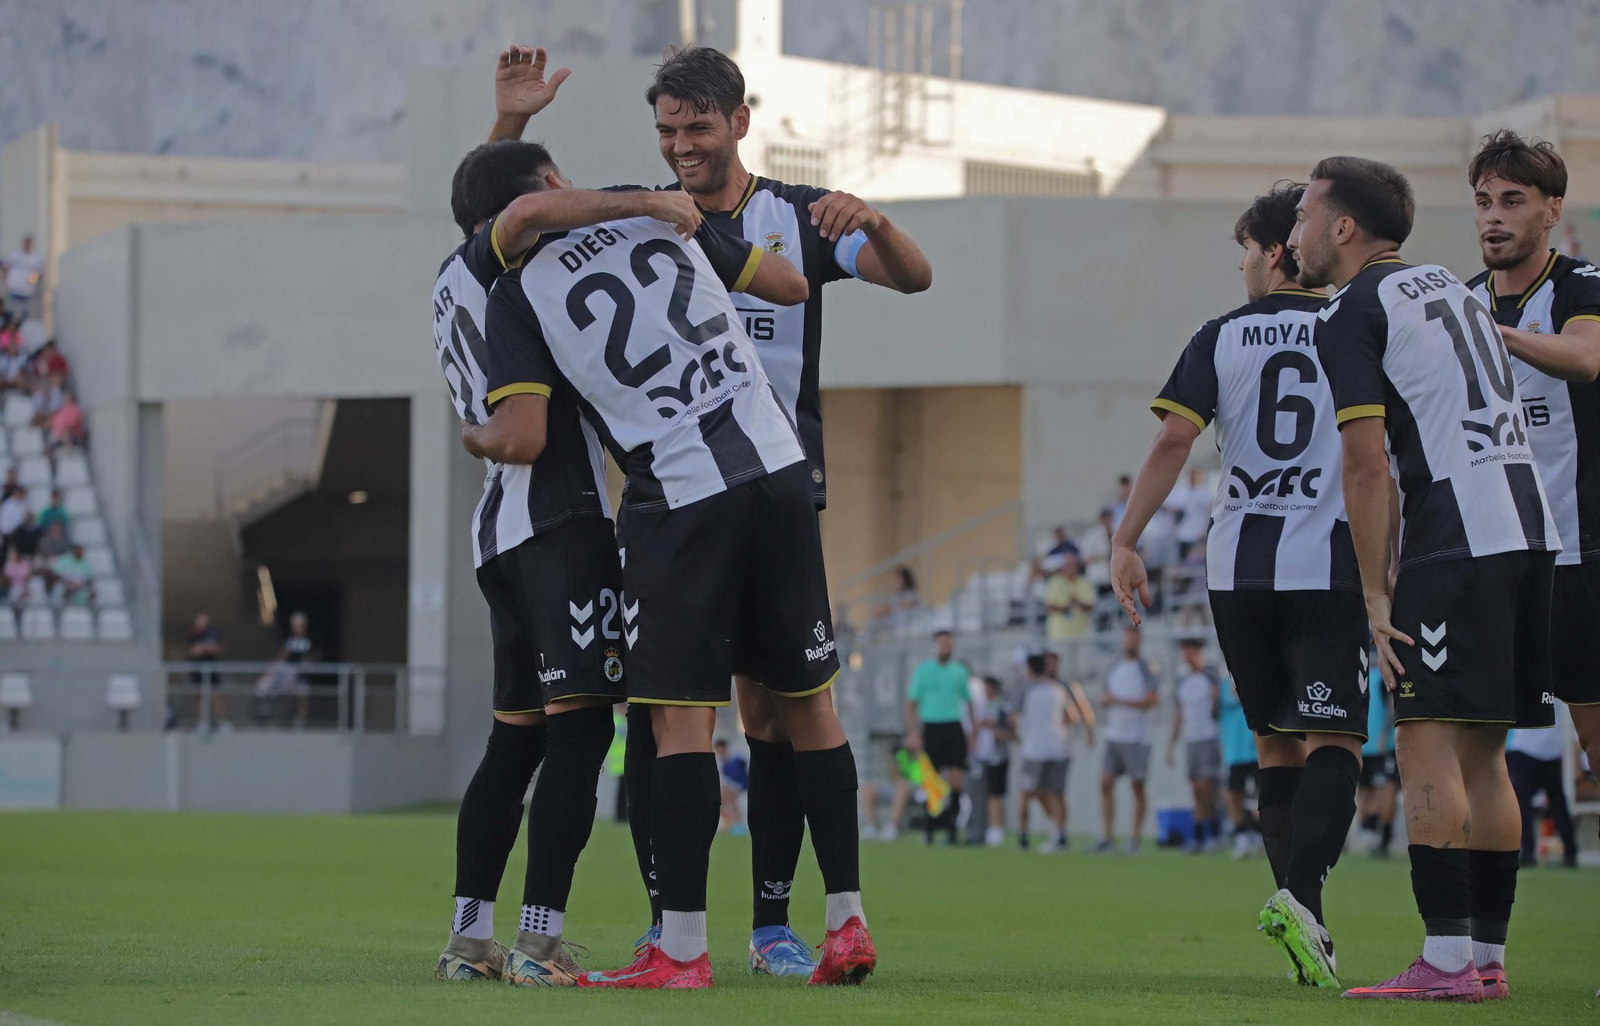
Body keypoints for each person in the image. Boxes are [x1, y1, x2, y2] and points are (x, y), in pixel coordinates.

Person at [472, 125, 867, 993]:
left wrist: (475, 428)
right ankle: (845, 924)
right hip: (781, 469)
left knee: (679, 724)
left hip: (681, 495)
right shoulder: (662, 220)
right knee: (811, 710)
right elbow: (792, 284)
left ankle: (681, 949)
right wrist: (665, 217)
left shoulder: (513, 289)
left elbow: (524, 432)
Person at [572, 47, 934, 976]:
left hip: (775, 485)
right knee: (670, 710)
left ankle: (771, 923)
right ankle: (669, 920)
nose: (681, 146)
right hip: (688, 488)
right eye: (666, 130)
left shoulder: (799, 214)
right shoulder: (641, 217)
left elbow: (912, 277)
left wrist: (879, 222)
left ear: (740, 119)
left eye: (697, 127)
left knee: (768, 713)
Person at [432, 53, 711, 985]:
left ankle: (470, 937)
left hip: (500, 541)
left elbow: (493, 201)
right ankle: (538, 941)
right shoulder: (520, 259)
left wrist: (505, 130)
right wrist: (642, 202)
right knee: (583, 736)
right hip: (562, 525)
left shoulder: (450, 279)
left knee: (513, 739)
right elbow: (519, 207)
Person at [1304, 156, 1556, 1002]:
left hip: (1456, 540)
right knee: (1487, 756)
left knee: (1425, 743)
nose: (1295, 234)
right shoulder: (1450, 283)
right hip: (1530, 529)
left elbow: (1367, 466)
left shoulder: (1349, 311)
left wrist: (1375, 594)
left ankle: (1445, 961)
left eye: (1304, 217)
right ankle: (1484, 959)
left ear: (1343, 228)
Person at [1110, 180, 1367, 988]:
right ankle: (1302, 900)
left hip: (1236, 570)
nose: (1245, 270)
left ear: (1277, 252)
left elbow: (1171, 446)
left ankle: (1305, 925)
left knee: (1273, 744)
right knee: (1337, 741)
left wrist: (1126, 539)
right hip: (1327, 562)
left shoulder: (1218, 337)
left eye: (1248, 254)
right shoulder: (1358, 326)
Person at [1463, 131, 1600, 824]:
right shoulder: (1460, 300)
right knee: (1474, 751)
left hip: (1580, 554)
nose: (1493, 216)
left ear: (1551, 210)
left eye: (1512, 201)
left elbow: (1584, 358)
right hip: (1491, 561)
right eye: (1484, 201)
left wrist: (1491, 334)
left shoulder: (1581, 287)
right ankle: (1469, 935)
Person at [904, 630, 974, 846]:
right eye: (942, 643)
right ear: (935, 645)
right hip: (932, 727)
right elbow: (910, 704)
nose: (946, 647)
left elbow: (969, 702)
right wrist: (914, 732)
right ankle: (930, 829)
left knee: (956, 779)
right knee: (931, 781)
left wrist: (974, 732)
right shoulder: (923, 671)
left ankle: (952, 828)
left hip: (954, 726)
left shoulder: (960, 671)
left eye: (949, 643)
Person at [1097, 627, 1158, 854]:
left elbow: (1152, 699)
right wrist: (1107, 701)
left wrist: (1119, 700)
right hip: (1114, 735)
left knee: (1137, 786)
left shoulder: (1146, 668)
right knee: (1105, 783)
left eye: (1134, 638)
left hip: (1136, 737)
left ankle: (1134, 838)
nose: (1130, 642)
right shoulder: (1114, 667)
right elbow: (1105, 697)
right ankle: (1107, 837)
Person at [1015, 654, 1080, 853]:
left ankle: (1024, 836)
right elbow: (1071, 717)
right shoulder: (1059, 688)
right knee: (1056, 793)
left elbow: (1012, 716)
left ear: (1030, 669)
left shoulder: (1026, 688)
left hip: (1034, 749)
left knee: (1027, 793)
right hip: (1059, 747)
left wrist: (1021, 734)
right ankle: (1060, 834)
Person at [1168, 638, 1222, 853]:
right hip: (1191, 740)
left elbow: (1218, 711)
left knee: (1206, 786)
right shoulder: (1181, 682)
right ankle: (1200, 835)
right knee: (1195, 789)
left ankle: (1214, 832)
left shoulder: (1211, 678)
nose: (1187, 655)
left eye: (1190, 650)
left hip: (1208, 738)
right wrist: (1171, 744)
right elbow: (1179, 715)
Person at [1505, 714, 1576, 868]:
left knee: (1523, 803)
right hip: (1551, 747)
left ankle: (1528, 853)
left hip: (1526, 747)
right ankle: (1570, 852)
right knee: (1558, 803)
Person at [1356, 663, 1398, 858]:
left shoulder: (1379, 676)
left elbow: (1391, 708)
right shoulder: (1373, 675)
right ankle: (1372, 834)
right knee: (1371, 790)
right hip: (1370, 745)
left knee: (1379, 789)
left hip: (1374, 745)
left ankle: (1380, 836)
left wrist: (1383, 735)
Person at [1220, 679, 1262, 860]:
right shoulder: (1222, 683)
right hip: (1234, 751)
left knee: (1264, 795)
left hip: (1258, 749)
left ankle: (1262, 837)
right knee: (1233, 795)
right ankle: (1242, 837)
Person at [970, 675, 1012, 847]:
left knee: (995, 794)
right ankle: (977, 830)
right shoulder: (977, 707)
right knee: (977, 794)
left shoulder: (1002, 707)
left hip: (997, 757)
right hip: (979, 756)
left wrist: (991, 727)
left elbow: (1009, 733)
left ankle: (996, 830)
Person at [185, 612, 228, 731]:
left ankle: (223, 723)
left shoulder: (213, 632)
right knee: (197, 695)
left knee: (216, 695)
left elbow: (218, 648)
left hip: (211, 669)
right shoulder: (192, 633)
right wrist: (206, 648)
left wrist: (203, 648)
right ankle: (202, 723)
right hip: (197, 670)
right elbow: (193, 651)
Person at [1043, 552, 1096, 642]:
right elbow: (1048, 606)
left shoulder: (1085, 582)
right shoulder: (1054, 582)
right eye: (1068, 566)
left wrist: (1077, 602)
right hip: (1059, 635)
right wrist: (1065, 607)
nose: (1070, 568)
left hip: (1081, 634)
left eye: (1072, 565)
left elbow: (1091, 606)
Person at [715, 739, 750, 836]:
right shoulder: (721, 762)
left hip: (741, 785)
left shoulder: (737, 759)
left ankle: (738, 823)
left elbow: (745, 773)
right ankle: (732, 822)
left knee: (729, 798)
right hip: (730, 787)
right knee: (721, 800)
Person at [4, 235, 42, 318]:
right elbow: (6, 266)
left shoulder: (35, 258)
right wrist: (8, 280)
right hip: (13, 288)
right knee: (10, 312)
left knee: (25, 313)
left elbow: (37, 273)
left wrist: (30, 282)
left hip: (26, 290)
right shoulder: (14, 254)